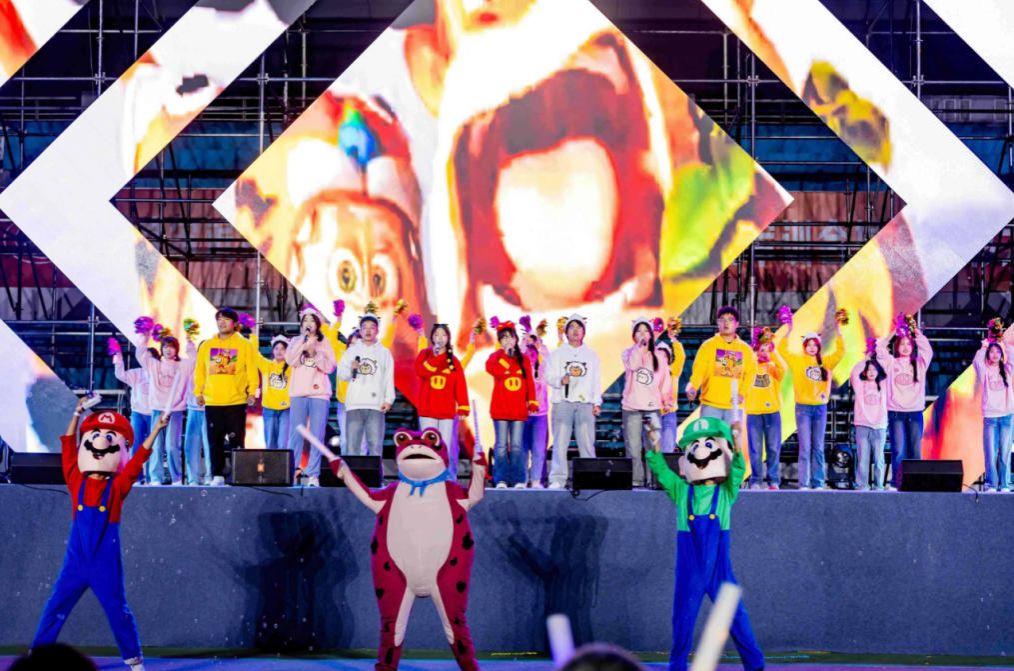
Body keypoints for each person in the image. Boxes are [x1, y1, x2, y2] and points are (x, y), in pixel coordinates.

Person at [31, 397, 169, 671]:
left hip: (105, 564)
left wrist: (156, 429)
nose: (101, 444)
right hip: (76, 562)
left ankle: (135, 661)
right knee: (55, 606)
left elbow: (138, 459)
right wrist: (76, 414)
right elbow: (68, 446)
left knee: (118, 611)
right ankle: (37, 654)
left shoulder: (117, 487)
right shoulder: (76, 481)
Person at [645, 416, 764, 671]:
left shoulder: (726, 492)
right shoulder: (682, 491)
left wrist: (737, 442)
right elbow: (661, 471)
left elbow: (738, 470)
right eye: (694, 445)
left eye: (709, 444)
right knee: (682, 620)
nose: (700, 451)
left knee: (736, 616)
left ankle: (755, 663)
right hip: (690, 571)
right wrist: (654, 446)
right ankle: (677, 665)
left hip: (719, 570)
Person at [778, 309, 847, 490]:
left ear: (818, 347)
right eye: (808, 345)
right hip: (803, 408)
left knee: (818, 446)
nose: (811, 348)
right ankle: (804, 483)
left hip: (820, 409)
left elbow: (841, 351)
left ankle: (817, 482)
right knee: (805, 447)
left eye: (814, 345)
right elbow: (782, 349)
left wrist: (839, 331)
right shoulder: (798, 361)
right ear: (804, 347)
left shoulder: (825, 362)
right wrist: (789, 330)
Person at [192, 307, 259, 485]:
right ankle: (218, 475)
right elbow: (200, 371)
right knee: (215, 441)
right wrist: (198, 392)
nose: (222, 322)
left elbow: (252, 370)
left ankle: (239, 475)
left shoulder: (244, 344)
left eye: (226, 319)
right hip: (213, 401)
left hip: (236, 401)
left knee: (237, 440)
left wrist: (252, 392)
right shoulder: (207, 345)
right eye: (219, 319)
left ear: (235, 324)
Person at [875, 316, 933, 489]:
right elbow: (879, 348)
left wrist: (915, 332)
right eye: (902, 344)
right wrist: (895, 331)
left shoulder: (920, 364)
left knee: (915, 450)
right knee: (898, 450)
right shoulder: (891, 363)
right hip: (896, 413)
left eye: (908, 344)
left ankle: (916, 483)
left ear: (913, 346)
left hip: (915, 412)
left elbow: (927, 350)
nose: (905, 347)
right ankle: (897, 483)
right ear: (897, 346)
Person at [546, 314, 602, 489]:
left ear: (584, 332)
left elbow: (596, 381)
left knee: (586, 443)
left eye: (579, 328)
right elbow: (548, 376)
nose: (576, 331)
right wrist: (559, 380)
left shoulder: (592, 356)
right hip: (563, 402)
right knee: (560, 443)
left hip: (585, 404)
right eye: (572, 327)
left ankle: (590, 478)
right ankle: (558, 478)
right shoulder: (556, 354)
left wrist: (597, 402)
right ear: (566, 331)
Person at [285, 306, 337, 486]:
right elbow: (290, 360)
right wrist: (303, 343)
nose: (308, 323)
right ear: (301, 324)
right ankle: (292, 472)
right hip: (298, 393)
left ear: (318, 324)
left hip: (319, 394)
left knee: (317, 435)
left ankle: (313, 474)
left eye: (312, 320)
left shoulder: (325, 342)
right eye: (305, 320)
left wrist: (315, 353)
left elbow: (330, 367)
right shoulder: (295, 341)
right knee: (296, 434)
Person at [621, 317, 673, 488]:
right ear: (633, 335)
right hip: (631, 407)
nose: (642, 334)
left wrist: (666, 400)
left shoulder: (659, 355)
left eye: (645, 331)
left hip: (652, 407)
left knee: (653, 446)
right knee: (633, 447)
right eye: (638, 331)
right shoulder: (628, 353)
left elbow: (665, 380)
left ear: (651, 334)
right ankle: (636, 480)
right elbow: (633, 365)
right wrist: (639, 348)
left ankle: (654, 481)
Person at [485, 321, 537, 488]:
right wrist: (506, 358)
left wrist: (532, 401)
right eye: (504, 338)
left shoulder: (524, 359)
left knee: (516, 446)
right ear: (500, 341)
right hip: (500, 409)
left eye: (511, 337)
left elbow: (529, 382)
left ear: (516, 339)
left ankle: (518, 479)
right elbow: (493, 370)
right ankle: (501, 479)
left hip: (518, 410)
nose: (508, 340)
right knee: (501, 446)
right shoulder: (495, 357)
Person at [337, 312, 396, 456]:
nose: (368, 331)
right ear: (360, 331)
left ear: (377, 330)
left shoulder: (384, 353)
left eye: (372, 327)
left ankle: (375, 472)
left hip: (376, 404)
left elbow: (388, 377)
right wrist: (352, 369)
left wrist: (389, 399)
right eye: (364, 327)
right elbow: (342, 375)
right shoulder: (351, 351)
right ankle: (352, 472)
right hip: (354, 403)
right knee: (352, 446)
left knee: (375, 446)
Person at [414, 322, 470, 474]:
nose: (440, 338)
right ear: (432, 337)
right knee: (428, 445)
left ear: (448, 338)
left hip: (446, 410)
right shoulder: (424, 355)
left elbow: (460, 384)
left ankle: (444, 477)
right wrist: (435, 357)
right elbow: (421, 372)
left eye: (443, 335)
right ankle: (427, 476)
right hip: (428, 409)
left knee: (445, 445)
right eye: (437, 335)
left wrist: (463, 406)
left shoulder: (454, 361)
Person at [686, 306, 756, 427]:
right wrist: (693, 387)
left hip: (734, 407)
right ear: (718, 323)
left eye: (730, 320)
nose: (726, 323)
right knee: (709, 438)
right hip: (710, 406)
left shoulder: (745, 350)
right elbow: (699, 371)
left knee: (732, 439)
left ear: (737, 324)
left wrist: (742, 393)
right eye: (722, 319)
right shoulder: (708, 346)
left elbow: (751, 374)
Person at [136, 330, 188, 485]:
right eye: (165, 347)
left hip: (175, 410)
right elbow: (140, 355)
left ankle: (176, 478)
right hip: (158, 409)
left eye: (171, 347)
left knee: (172, 446)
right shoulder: (154, 365)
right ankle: (155, 478)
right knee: (156, 445)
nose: (168, 350)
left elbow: (183, 386)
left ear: (176, 349)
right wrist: (144, 335)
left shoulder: (182, 366)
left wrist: (191, 340)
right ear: (161, 349)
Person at [744, 327, 785, 489]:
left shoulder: (773, 367)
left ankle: (773, 480)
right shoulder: (751, 366)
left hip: (772, 412)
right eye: (762, 349)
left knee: (773, 448)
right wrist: (755, 353)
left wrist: (773, 352)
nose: (764, 352)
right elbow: (744, 368)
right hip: (754, 413)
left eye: (767, 349)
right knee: (755, 450)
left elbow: (784, 369)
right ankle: (756, 480)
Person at [973, 336, 1014, 492]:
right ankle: (991, 484)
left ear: (1002, 354)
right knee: (990, 452)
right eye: (992, 352)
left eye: (998, 352)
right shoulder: (984, 370)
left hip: (1007, 416)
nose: (995, 354)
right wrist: (984, 346)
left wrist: (1004, 341)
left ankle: (1004, 485)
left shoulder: (1007, 369)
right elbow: (976, 362)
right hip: (990, 416)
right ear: (988, 354)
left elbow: (1013, 355)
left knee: (1005, 453)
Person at [111, 342, 152, 484]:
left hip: (155, 414)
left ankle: (152, 478)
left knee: (153, 448)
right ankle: (136, 477)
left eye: (151, 357)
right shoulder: (136, 373)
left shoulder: (158, 372)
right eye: (145, 357)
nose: (147, 360)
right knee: (136, 446)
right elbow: (120, 374)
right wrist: (118, 356)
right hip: (138, 414)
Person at [850, 343, 888, 491]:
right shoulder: (860, 384)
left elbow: (887, 366)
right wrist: (866, 358)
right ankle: (862, 485)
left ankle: (879, 485)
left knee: (879, 459)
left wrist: (878, 351)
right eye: (869, 370)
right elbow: (855, 372)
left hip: (879, 426)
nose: (872, 372)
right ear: (865, 372)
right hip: (862, 425)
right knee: (863, 458)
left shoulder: (884, 385)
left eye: (874, 369)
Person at [521, 325, 550, 487]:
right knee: (522, 450)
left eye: (533, 353)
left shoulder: (543, 370)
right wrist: (525, 339)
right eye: (527, 353)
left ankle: (536, 479)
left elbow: (548, 358)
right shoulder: (520, 369)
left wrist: (538, 342)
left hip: (540, 415)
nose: (530, 356)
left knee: (538, 449)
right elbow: (518, 353)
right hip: (522, 415)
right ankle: (523, 479)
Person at [181, 336, 211, 485]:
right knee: (191, 446)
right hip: (193, 410)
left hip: (210, 410)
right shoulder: (192, 364)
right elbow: (190, 351)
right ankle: (193, 478)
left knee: (209, 445)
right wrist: (189, 340)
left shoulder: (215, 367)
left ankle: (210, 476)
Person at [255, 333, 291, 450]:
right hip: (269, 408)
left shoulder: (292, 367)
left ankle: (283, 463)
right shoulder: (267, 365)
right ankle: (271, 462)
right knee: (270, 443)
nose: (279, 351)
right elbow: (254, 354)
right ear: (272, 350)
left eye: (283, 348)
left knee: (283, 443)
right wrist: (253, 334)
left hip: (286, 409)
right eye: (276, 348)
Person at [656, 317, 686, 453]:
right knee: (654, 451)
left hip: (669, 414)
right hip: (653, 414)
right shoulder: (652, 373)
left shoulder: (674, 371)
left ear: (669, 358)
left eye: (665, 355)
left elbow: (681, 357)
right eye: (659, 355)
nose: (662, 357)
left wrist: (673, 339)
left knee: (668, 449)